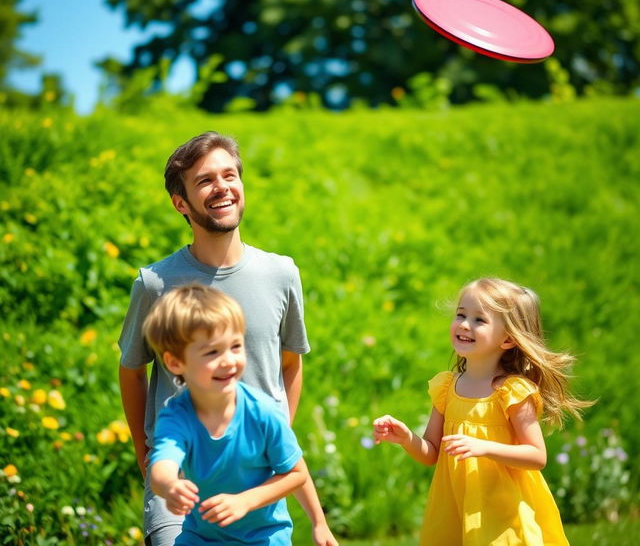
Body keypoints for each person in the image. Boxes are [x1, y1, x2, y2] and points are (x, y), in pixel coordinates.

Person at [118, 131, 338, 546]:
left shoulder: (282, 274)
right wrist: (149, 460)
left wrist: (268, 444)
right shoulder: (154, 284)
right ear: (180, 202)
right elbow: (131, 372)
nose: (222, 188)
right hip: (180, 481)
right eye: (204, 181)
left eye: (229, 175)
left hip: (258, 482)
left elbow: (289, 365)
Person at [373, 277, 593, 545]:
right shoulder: (447, 387)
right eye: (461, 315)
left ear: (508, 339)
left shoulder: (511, 392)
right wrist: (407, 438)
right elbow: (432, 452)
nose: (465, 324)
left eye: (480, 320)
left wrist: (483, 447)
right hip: (455, 505)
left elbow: (537, 456)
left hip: (503, 512)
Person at [144, 283, 309, 545]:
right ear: (175, 363)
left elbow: (296, 473)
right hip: (201, 537)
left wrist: (246, 500)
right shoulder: (177, 416)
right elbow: (163, 464)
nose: (229, 360)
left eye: (235, 346)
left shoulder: (262, 411)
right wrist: (169, 486)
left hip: (264, 537)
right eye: (212, 352)